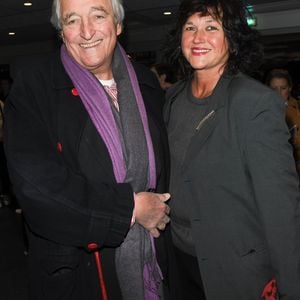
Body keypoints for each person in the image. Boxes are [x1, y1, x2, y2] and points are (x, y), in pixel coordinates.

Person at [4, 0, 174, 299]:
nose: (86, 31)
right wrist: (131, 209)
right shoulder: (36, 85)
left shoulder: (145, 82)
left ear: (118, 25)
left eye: (98, 16)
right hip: (76, 271)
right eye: (72, 20)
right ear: (61, 32)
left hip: (152, 255)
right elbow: (37, 188)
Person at [163, 0, 300, 299]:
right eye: (190, 28)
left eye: (211, 27)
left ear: (233, 40)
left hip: (236, 268)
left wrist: (291, 287)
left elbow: (281, 207)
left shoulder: (253, 102)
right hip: (180, 259)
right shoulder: (172, 98)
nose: (198, 38)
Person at [265, 68, 300, 176]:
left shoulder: (297, 109)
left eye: (283, 88)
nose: (278, 93)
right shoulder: (257, 112)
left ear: (289, 88)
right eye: (274, 88)